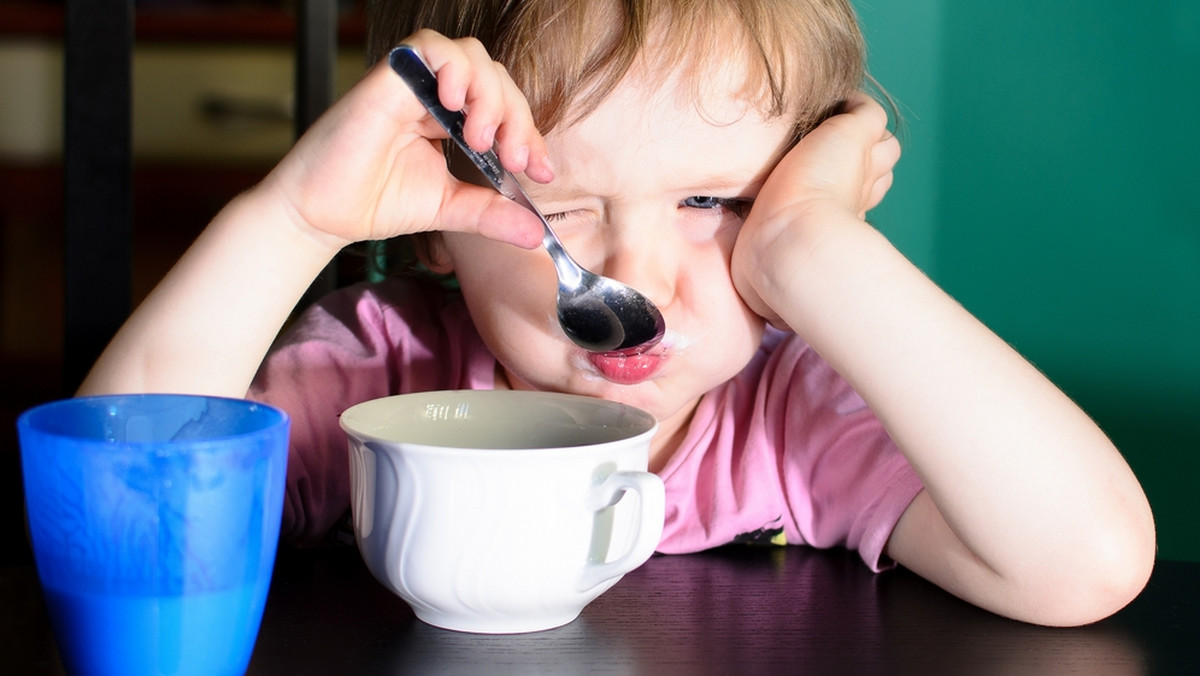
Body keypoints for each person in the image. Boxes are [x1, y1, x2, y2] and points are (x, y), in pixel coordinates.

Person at [78, 0, 1155, 627]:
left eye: (715, 204)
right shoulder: (385, 374)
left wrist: (815, 247)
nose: (637, 277)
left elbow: (1089, 562)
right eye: (562, 208)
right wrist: (295, 217)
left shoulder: (791, 416)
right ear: (438, 224)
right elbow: (117, 532)